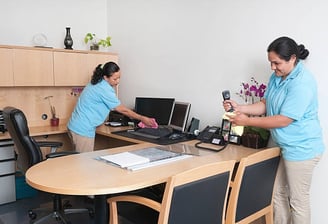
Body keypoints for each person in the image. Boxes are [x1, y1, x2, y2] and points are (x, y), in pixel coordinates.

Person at [223, 36, 324, 224]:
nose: (272, 67)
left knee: (297, 201)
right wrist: (240, 108)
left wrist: (246, 122)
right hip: (285, 146)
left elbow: (283, 119)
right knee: (276, 193)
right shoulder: (277, 77)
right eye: (271, 63)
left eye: (276, 63)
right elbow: (265, 104)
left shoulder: (302, 83)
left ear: (292, 58)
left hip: (302, 148)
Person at [67, 61, 157, 153]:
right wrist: (142, 118)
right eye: (115, 79)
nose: (118, 81)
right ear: (105, 77)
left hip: (75, 126)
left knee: (80, 161)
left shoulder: (96, 82)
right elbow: (122, 110)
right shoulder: (104, 89)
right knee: (84, 164)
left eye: (119, 78)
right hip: (83, 130)